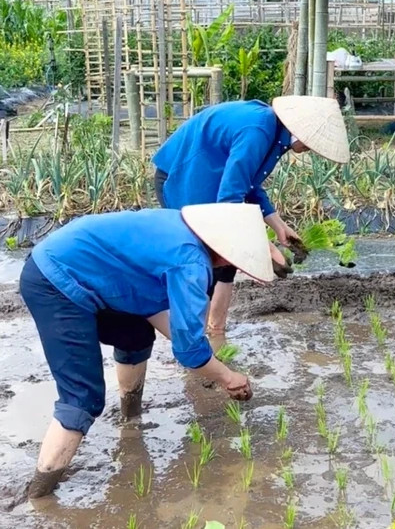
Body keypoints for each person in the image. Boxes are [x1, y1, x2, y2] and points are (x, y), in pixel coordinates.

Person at [19, 202, 273, 498]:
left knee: (135, 335)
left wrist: (204, 355)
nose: (233, 267)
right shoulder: (191, 262)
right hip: (57, 281)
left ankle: (130, 418)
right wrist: (227, 376)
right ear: (226, 254)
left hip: (77, 265)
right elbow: (189, 351)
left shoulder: (179, 226)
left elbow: (158, 313)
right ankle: (39, 493)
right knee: (83, 398)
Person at [153, 95, 350, 334]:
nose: (309, 150)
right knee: (202, 256)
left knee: (227, 260)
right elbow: (230, 200)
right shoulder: (258, 130)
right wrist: (263, 248)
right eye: (311, 144)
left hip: (210, 178)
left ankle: (216, 330)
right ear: (301, 132)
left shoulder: (273, 132)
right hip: (183, 175)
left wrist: (278, 226)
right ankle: (193, 341)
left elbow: (249, 184)